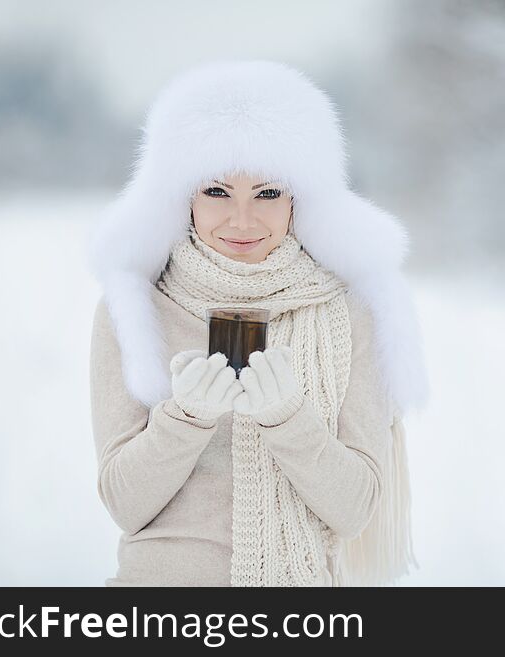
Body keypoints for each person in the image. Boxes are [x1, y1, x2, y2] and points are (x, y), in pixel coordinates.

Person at [86, 59, 429, 587]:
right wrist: (186, 419)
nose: (241, 220)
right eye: (217, 192)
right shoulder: (136, 312)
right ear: (183, 197)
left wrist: (288, 419)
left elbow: (355, 508)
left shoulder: (349, 314)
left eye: (267, 193)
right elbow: (124, 503)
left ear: (298, 199)